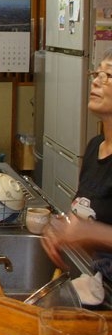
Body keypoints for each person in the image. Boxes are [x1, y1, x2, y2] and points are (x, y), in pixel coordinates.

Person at [42, 48, 112, 280]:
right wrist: (62, 227)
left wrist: (92, 232)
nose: (96, 81)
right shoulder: (95, 147)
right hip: (95, 277)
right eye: (96, 74)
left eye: (108, 75)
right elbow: (86, 211)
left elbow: (91, 229)